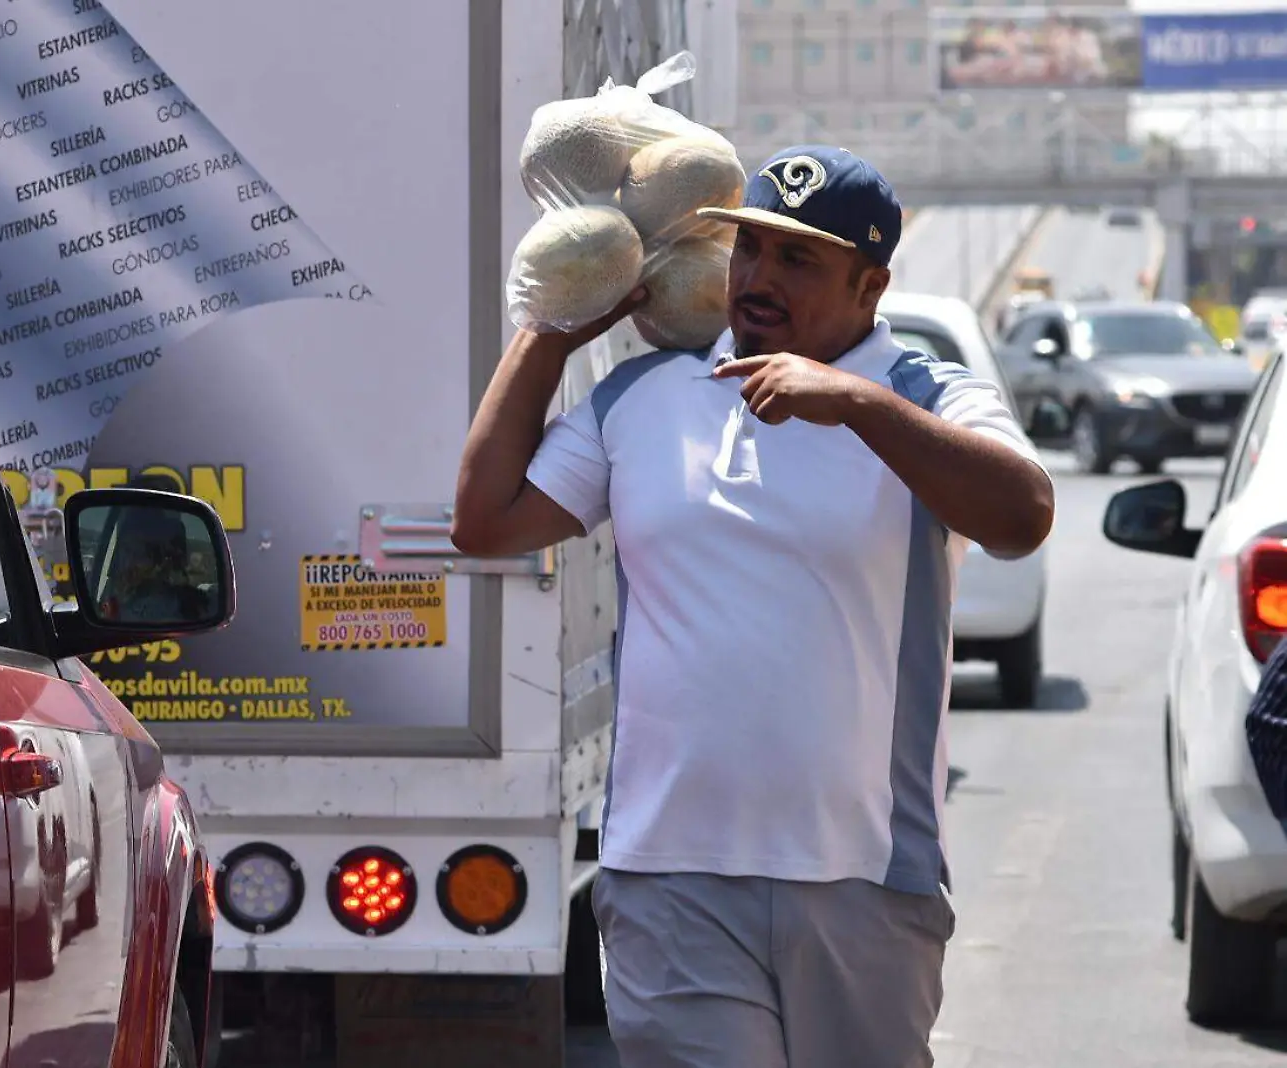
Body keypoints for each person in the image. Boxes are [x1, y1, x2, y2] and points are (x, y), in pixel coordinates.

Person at [452, 144, 1055, 1067]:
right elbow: (486, 521)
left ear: (870, 286)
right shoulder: (644, 396)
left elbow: (1023, 516)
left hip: (859, 879)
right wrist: (553, 328)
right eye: (749, 252)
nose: (760, 279)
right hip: (667, 875)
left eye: (799, 260)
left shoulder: (924, 398)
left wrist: (857, 404)